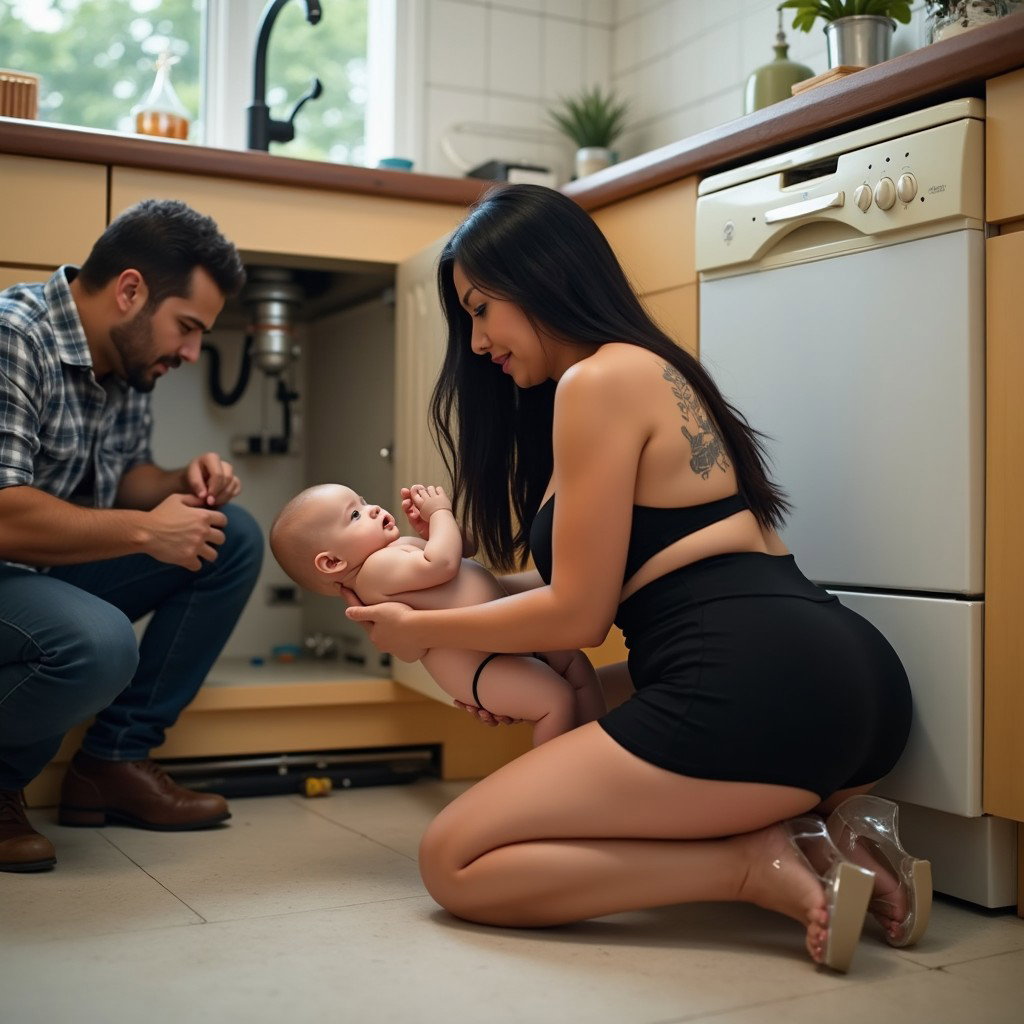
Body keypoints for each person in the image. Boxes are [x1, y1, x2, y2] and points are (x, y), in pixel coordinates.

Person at [344, 183, 930, 972]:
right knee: (583, 707)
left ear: (542, 278)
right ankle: (832, 833)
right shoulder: (646, 368)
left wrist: (422, 630)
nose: (477, 342)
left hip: (753, 690)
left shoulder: (595, 382)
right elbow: (581, 592)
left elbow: (576, 617)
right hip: (850, 681)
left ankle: (751, 863)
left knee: (454, 860)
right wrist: (471, 641)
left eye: (482, 310)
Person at [0, 199, 264, 873]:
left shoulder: (125, 359)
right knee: (97, 642)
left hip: (40, 573)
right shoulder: (14, 338)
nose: (191, 352)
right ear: (130, 291)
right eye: (187, 327)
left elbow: (123, 481)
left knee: (228, 536)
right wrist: (148, 530)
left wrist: (180, 480)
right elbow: (4, 515)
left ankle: (112, 764)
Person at [269, 481, 604, 746]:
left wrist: (437, 530)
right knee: (555, 698)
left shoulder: (392, 553)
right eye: (355, 515)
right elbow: (442, 563)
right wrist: (440, 512)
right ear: (332, 562)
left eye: (364, 501)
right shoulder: (374, 571)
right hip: (484, 666)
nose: (372, 509)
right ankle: (562, 772)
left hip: (502, 641)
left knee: (573, 662)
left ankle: (596, 745)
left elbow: (464, 551)